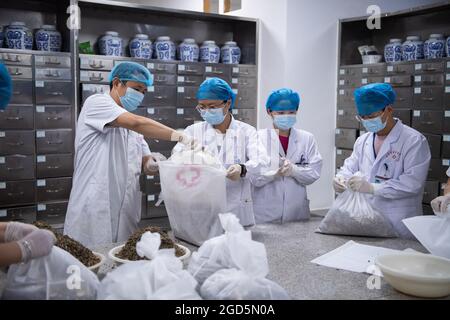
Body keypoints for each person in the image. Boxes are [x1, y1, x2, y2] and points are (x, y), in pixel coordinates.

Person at [64, 62, 198, 247]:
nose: (140, 95)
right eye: (137, 88)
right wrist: (180, 136)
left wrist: (152, 163)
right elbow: (136, 122)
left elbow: (144, 159)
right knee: (89, 262)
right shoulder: (97, 103)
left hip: (125, 207)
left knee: (119, 262)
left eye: (144, 91)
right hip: (95, 201)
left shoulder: (131, 128)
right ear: (117, 83)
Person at [333, 83, 431, 238]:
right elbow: (350, 166)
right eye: (362, 117)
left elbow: (412, 183)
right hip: (366, 220)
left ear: (389, 110)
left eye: (371, 116)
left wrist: (373, 188)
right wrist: (340, 178)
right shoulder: (363, 140)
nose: (366, 121)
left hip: (399, 223)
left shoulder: (413, 140)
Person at [172, 77, 269, 227]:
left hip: (236, 210)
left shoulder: (247, 131)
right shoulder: (192, 131)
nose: (206, 111)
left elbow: (262, 161)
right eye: (202, 107)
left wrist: (242, 169)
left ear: (228, 103)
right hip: (202, 208)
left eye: (212, 106)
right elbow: (176, 158)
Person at [250, 88, 322, 223]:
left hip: (297, 213)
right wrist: (274, 174)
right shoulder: (257, 138)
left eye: (291, 112)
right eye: (281, 113)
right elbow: (253, 177)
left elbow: (313, 175)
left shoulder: (307, 139)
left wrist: (294, 171)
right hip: (266, 215)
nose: (286, 116)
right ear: (269, 112)